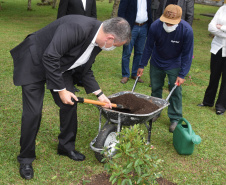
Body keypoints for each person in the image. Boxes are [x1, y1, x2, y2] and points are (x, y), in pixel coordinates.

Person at [10, 15, 131, 180]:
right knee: (33, 113)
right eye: (115, 45)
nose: (113, 48)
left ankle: (66, 147)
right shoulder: (77, 27)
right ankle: (26, 159)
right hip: (35, 61)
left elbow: (85, 69)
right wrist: (61, 89)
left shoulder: (98, 41)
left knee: (70, 103)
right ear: (110, 38)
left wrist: (100, 94)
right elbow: (50, 56)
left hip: (60, 66)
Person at [137, 5, 194, 132]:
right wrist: (142, 64)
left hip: (175, 64)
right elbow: (148, 46)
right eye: (166, 21)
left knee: (175, 91)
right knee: (155, 88)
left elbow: (187, 54)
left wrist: (182, 74)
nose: (168, 24)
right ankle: (155, 112)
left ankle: (175, 118)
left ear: (179, 20)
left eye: (171, 22)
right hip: (157, 61)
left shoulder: (186, 30)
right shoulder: (155, 26)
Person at [57, 0, 97, 91]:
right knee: (69, 56)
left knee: (81, 54)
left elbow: (93, 15)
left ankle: (78, 79)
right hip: (71, 31)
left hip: (87, 32)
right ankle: (68, 82)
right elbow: (61, 15)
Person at [197, 2, 226, 116]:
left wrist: (221, 27)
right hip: (217, 48)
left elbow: (217, 28)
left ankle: (221, 106)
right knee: (214, 76)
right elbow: (211, 27)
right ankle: (208, 101)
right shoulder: (222, 9)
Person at [118, 0, 152, 84]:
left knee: (139, 52)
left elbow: (149, 11)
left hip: (144, 26)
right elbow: (121, 12)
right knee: (127, 52)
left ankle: (135, 74)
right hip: (132, 27)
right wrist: (124, 27)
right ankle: (125, 75)